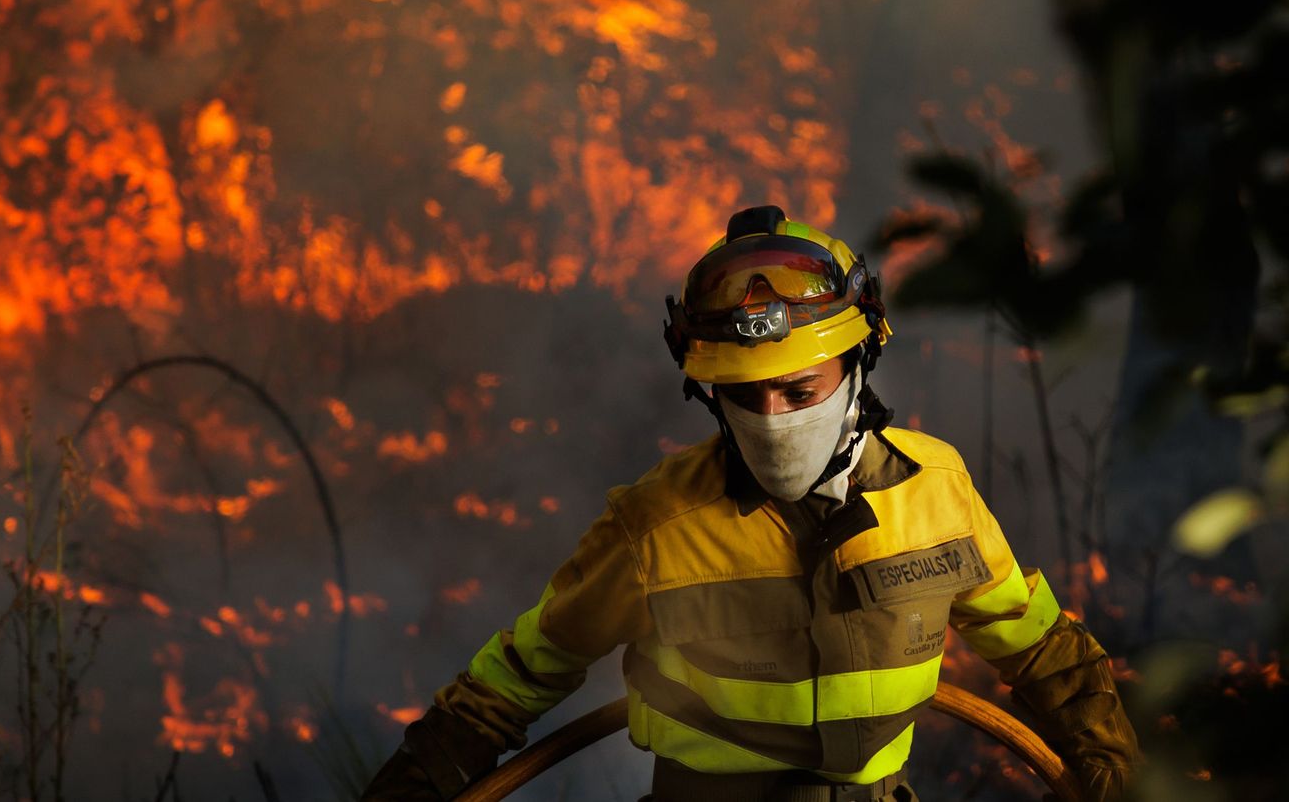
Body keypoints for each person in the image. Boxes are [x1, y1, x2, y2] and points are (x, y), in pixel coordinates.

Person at [361, 206, 1139, 802]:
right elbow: (527, 671)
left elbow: (1032, 640)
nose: (774, 419)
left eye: (800, 390)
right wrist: (422, 778)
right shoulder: (655, 528)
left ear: (860, 363)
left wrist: (1106, 752)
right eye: (743, 394)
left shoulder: (935, 491)